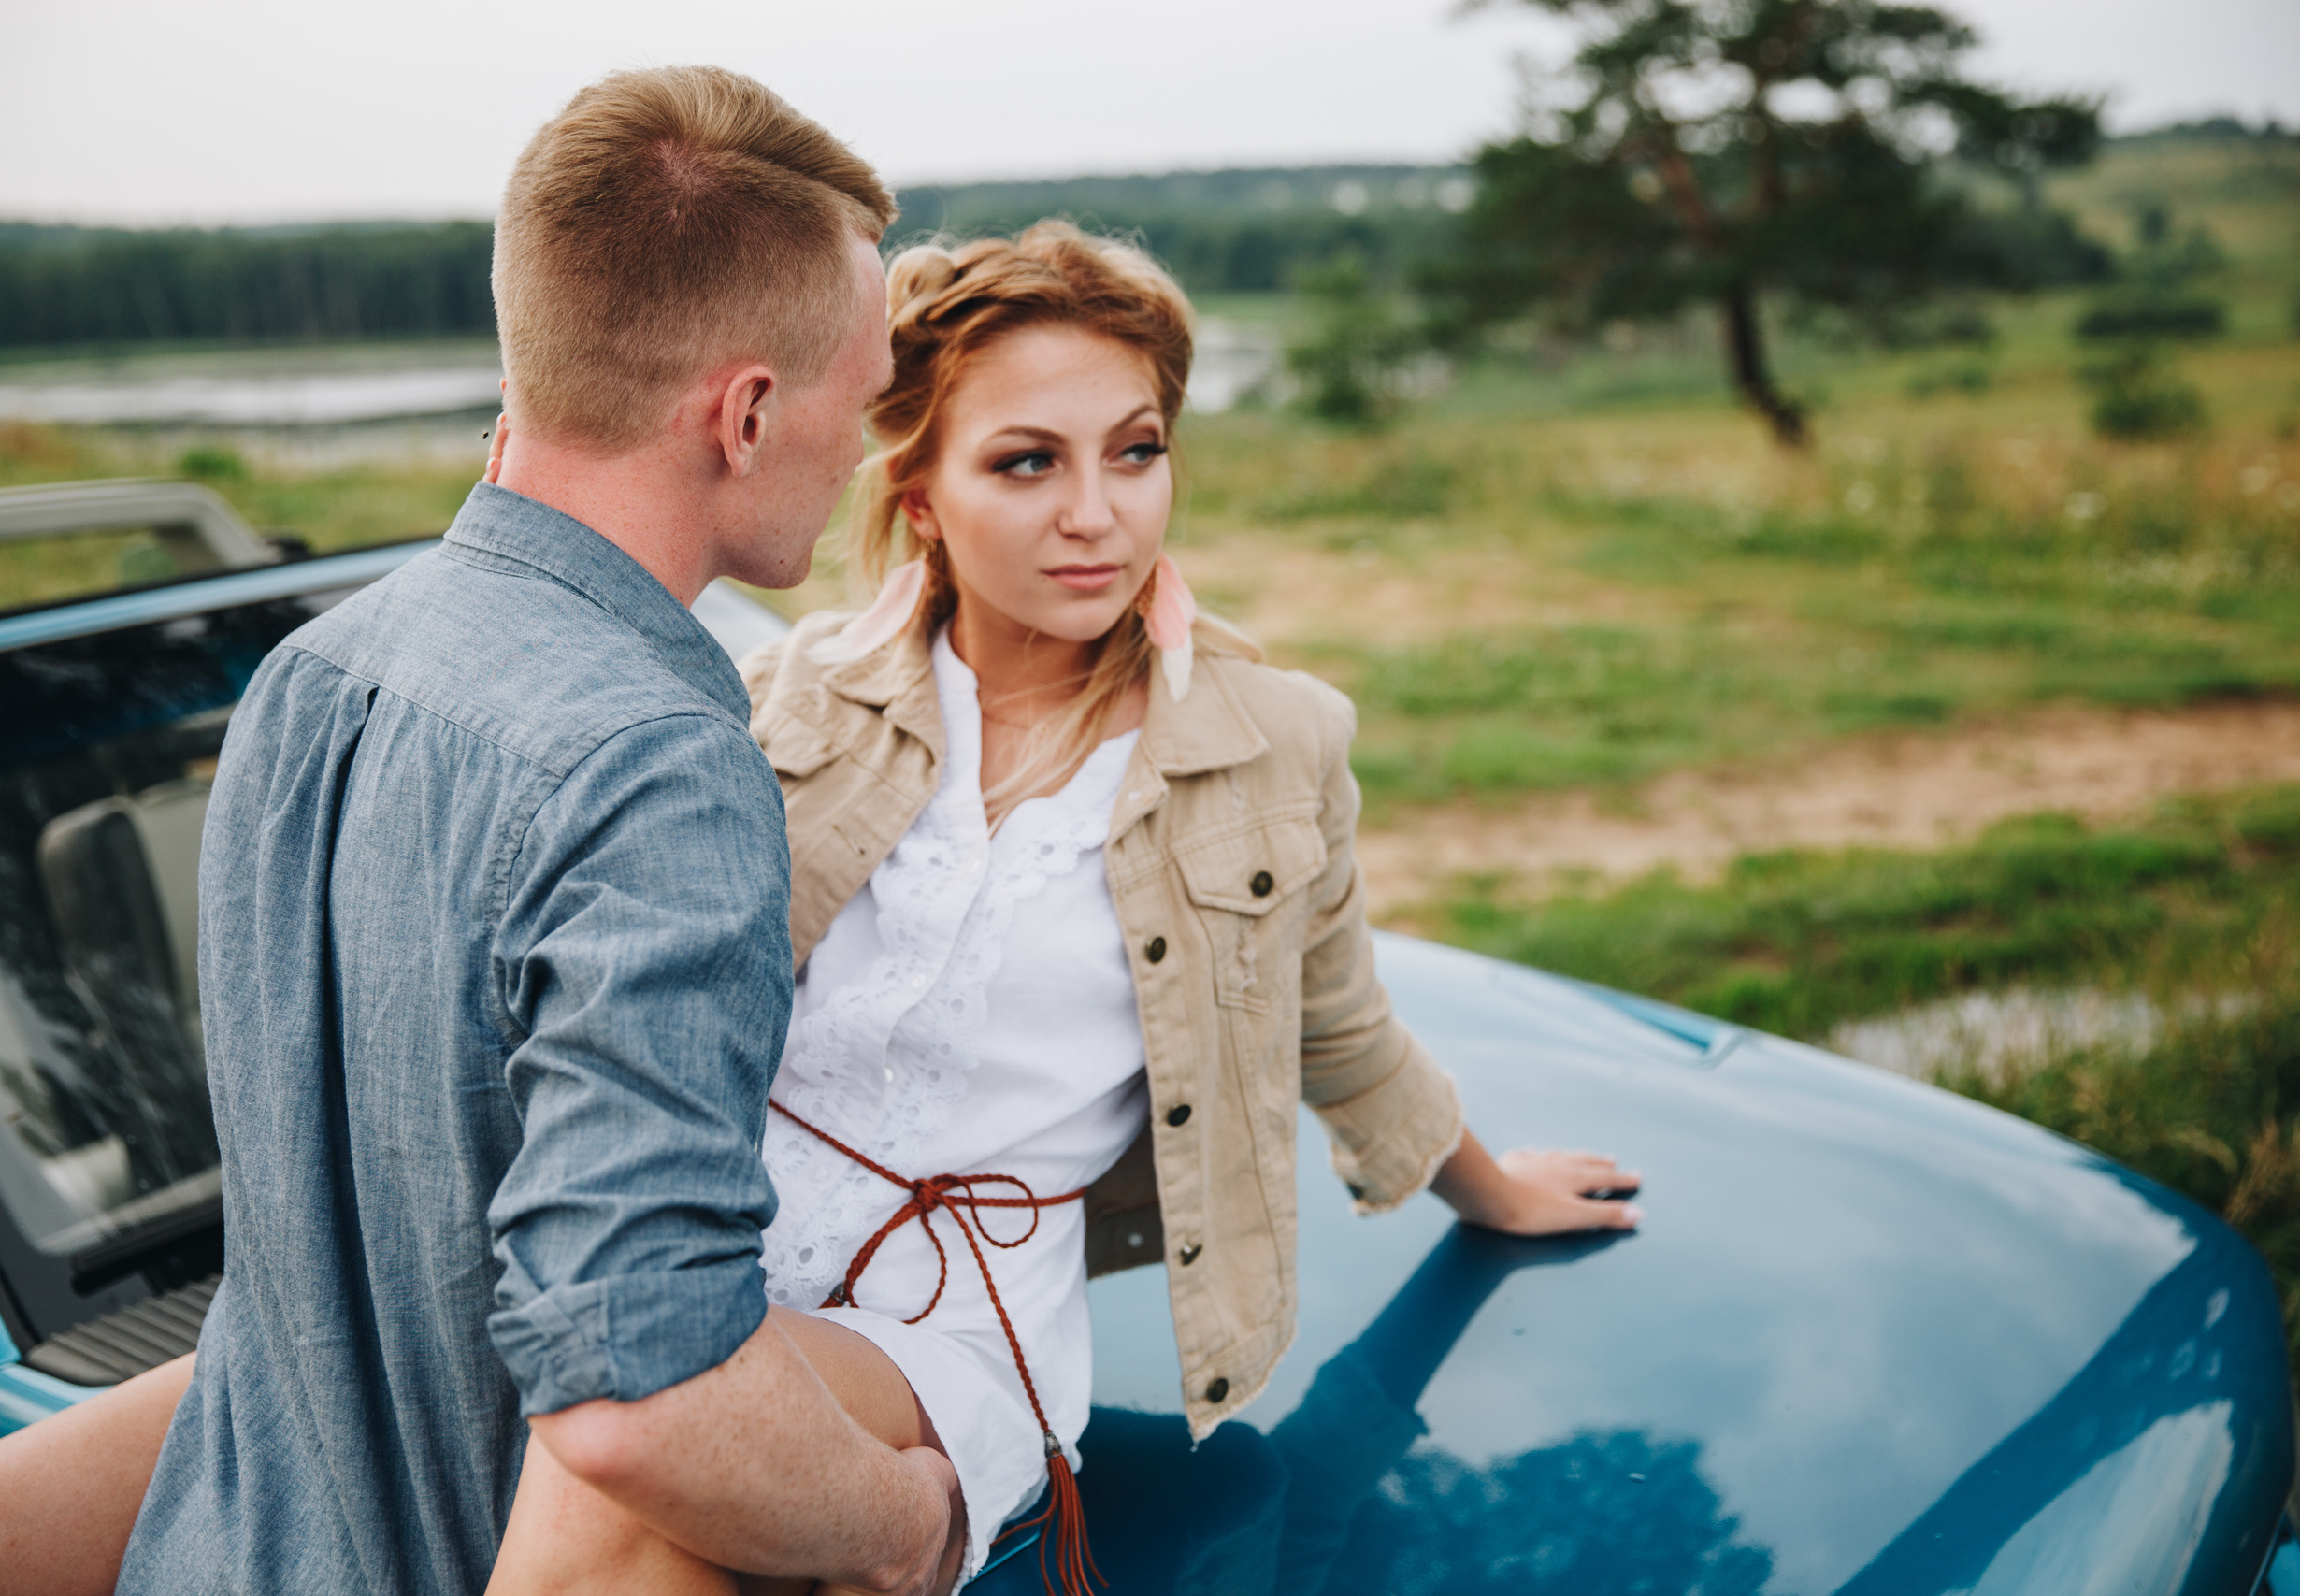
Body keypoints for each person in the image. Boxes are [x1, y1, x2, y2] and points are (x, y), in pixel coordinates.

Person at [0, 65, 960, 1596]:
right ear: (743, 414)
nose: (865, 452)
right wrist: (907, 1526)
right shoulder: (660, 763)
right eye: (861, 404)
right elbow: (636, 1388)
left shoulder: (308, 673)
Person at [484, 223, 1642, 1596]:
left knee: (634, 1456)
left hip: (953, 1331)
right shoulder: (786, 702)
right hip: (702, 1260)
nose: (1099, 513)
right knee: (234, 1407)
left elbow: (1337, 1023)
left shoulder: (1275, 746)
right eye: (1028, 461)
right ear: (918, 494)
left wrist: (1493, 1188)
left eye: (1135, 451)